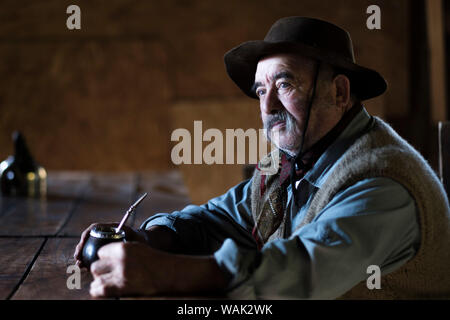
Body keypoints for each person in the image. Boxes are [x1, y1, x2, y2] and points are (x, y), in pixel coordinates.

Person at [74, 17, 450, 299]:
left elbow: (302, 271)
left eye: (285, 84)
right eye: (260, 90)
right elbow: (220, 218)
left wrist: (166, 273)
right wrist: (150, 239)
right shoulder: (290, 161)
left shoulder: (382, 181)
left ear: (339, 91)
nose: (267, 107)